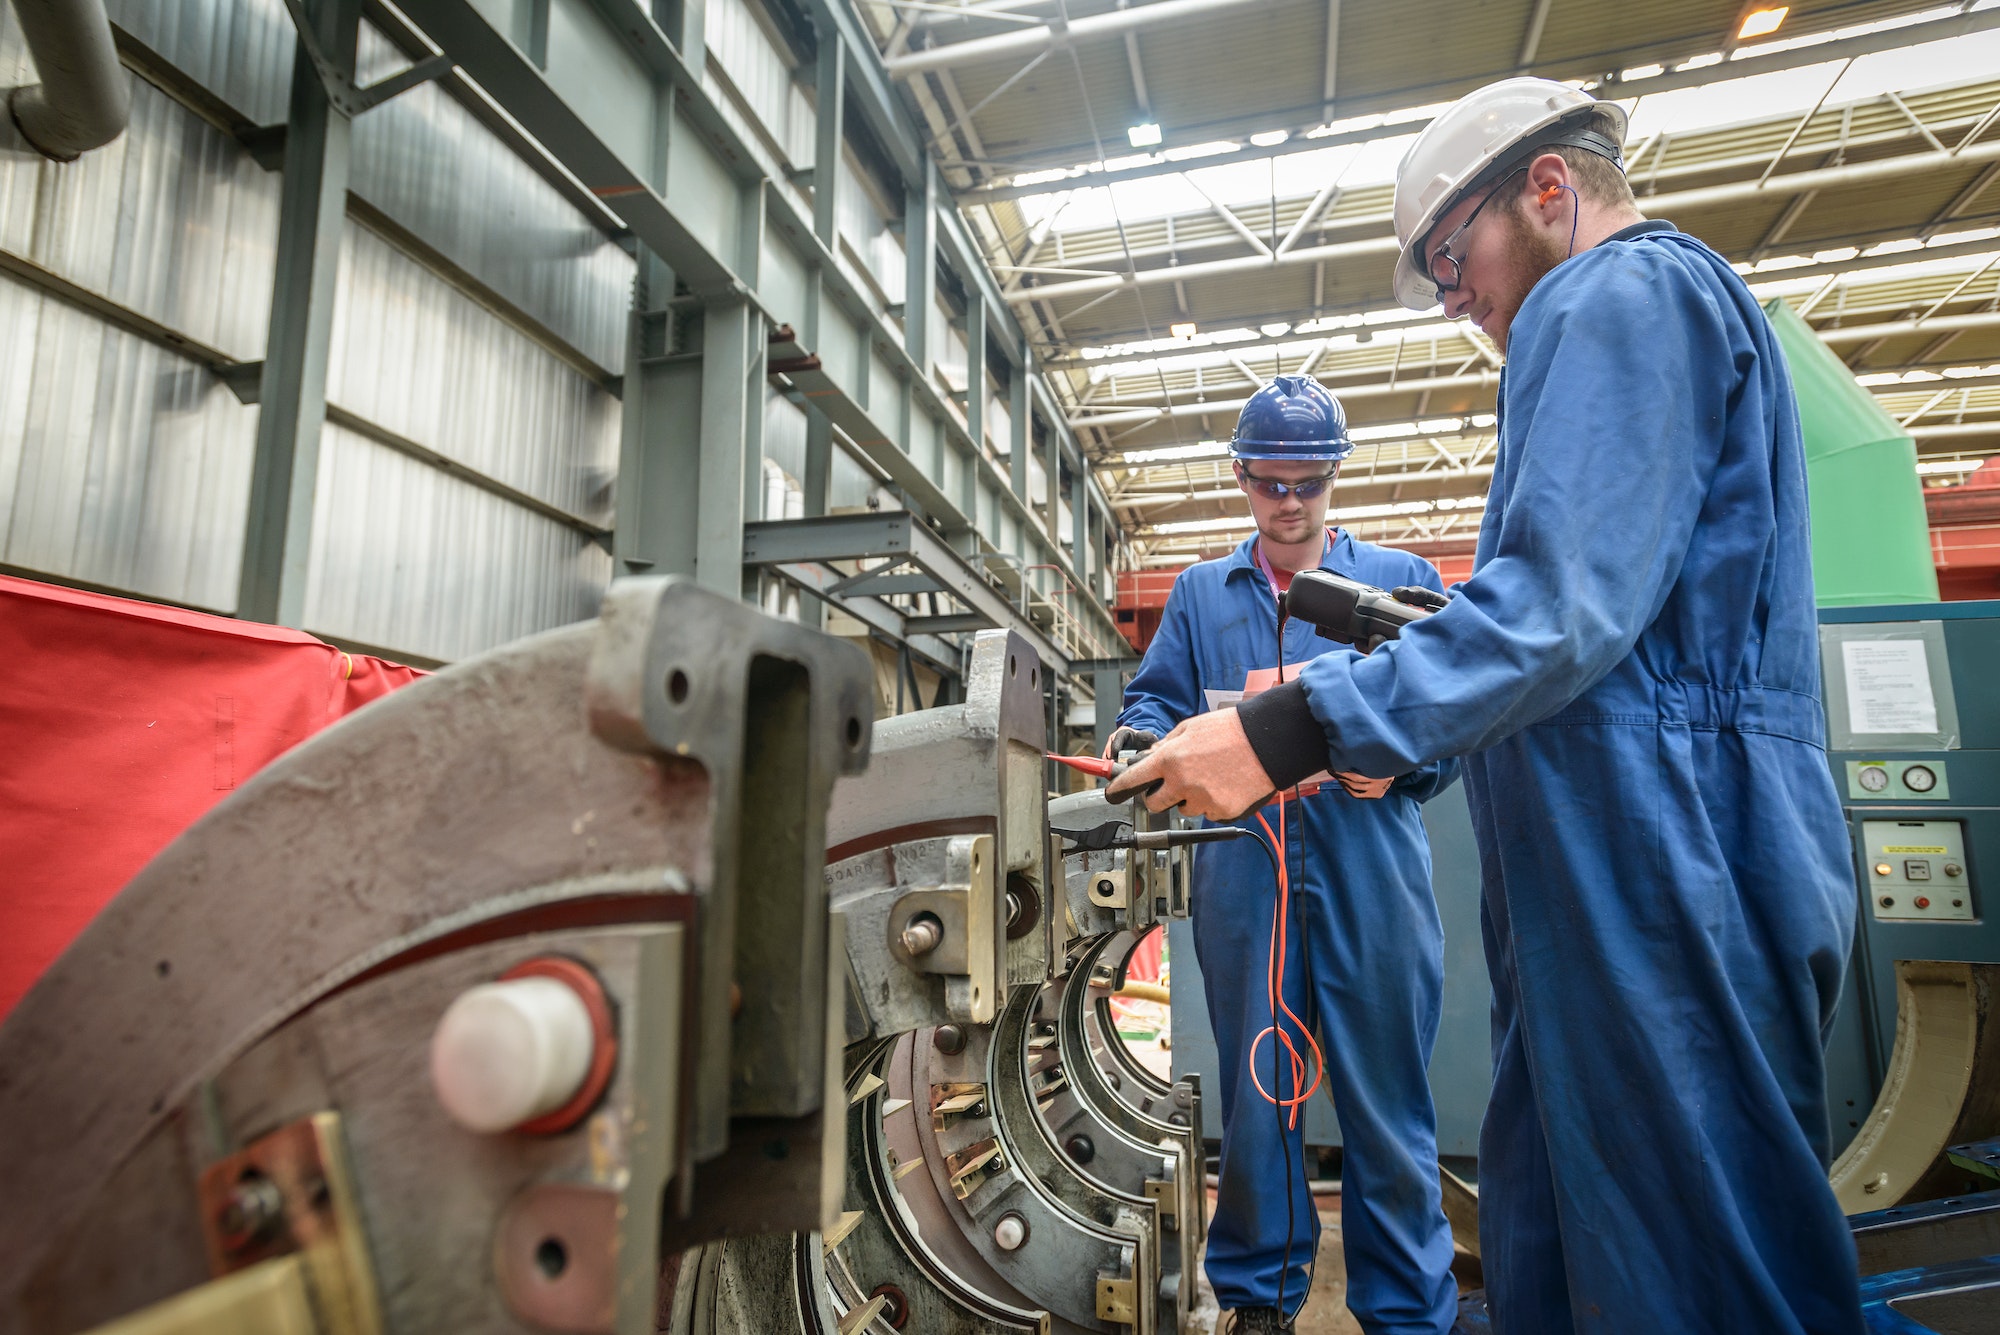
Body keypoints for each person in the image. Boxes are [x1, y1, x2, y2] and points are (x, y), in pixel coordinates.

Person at [1110, 79, 1865, 1335]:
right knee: (1566, 1241)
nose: (1453, 299)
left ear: (1550, 191)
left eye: (1452, 259)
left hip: (1668, 850)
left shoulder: (1621, 293)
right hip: (1597, 858)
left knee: (1690, 1271)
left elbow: (1554, 608)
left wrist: (1285, 726)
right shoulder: (1204, 586)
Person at [1112, 374, 1460, 1335]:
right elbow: (1150, 703)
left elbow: (1456, 723)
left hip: (1371, 869)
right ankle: (1258, 1301)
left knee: (1388, 1100)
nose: (1291, 501)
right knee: (1257, 1097)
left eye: (1309, 481)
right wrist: (1138, 741)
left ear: (1334, 475)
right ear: (1242, 479)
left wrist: (1399, 773)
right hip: (1241, 872)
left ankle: (1407, 1312)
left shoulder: (1399, 579)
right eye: (1272, 483)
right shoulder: (1196, 593)